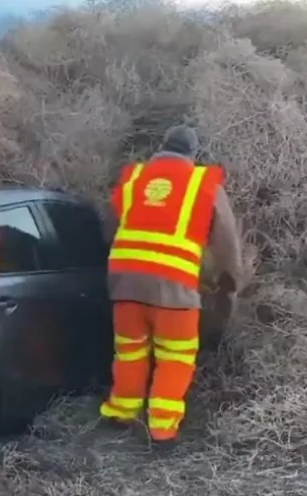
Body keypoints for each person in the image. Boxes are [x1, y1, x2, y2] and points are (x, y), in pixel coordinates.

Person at [100, 124, 243, 447]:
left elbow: (109, 227)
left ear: (162, 146)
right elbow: (226, 243)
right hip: (174, 289)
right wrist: (229, 281)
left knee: (129, 350)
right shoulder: (202, 183)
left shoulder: (135, 178)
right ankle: (162, 429)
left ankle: (121, 412)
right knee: (175, 357)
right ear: (192, 155)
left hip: (125, 284)